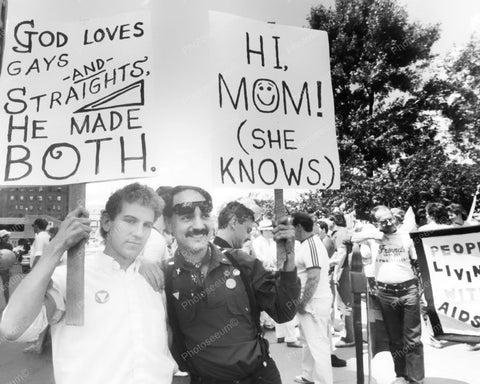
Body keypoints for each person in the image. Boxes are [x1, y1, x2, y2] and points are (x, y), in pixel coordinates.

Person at [0, 183, 176, 384]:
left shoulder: (152, 279)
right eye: (130, 221)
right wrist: (57, 245)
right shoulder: (72, 277)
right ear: (107, 222)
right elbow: (14, 329)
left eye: (147, 225)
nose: (139, 233)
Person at [163, 185, 300, 383]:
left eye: (205, 215)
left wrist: (288, 264)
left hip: (260, 377)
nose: (199, 225)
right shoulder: (162, 277)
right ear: (168, 224)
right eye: (186, 217)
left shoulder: (242, 263)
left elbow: (283, 312)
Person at [352, 205, 424, 384]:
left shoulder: (405, 235)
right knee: (395, 338)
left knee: (413, 338)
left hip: (408, 290)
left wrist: (421, 289)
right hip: (386, 293)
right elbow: (350, 238)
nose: (389, 222)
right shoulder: (373, 238)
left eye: (390, 218)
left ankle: (416, 379)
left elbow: (417, 263)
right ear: (376, 222)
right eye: (383, 221)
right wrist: (371, 234)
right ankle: (401, 375)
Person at [291, 212, 333, 384]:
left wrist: (303, 302)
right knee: (308, 341)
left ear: (299, 227)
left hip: (314, 302)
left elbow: (314, 277)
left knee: (318, 345)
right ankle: (308, 375)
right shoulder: (306, 244)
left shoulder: (312, 245)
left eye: (291, 227)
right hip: (310, 302)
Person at [330, 212, 354, 348]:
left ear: (333, 221)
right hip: (348, 270)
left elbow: (341, 253)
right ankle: (350, 334)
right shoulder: (346, 231)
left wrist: (335, 273)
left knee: (344, 304)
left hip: (343, 271)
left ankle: (348, 337)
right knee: (347, 303)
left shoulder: (339, 234)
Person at [0, 229, 14, 304]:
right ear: (4, 237)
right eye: (7, 236)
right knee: (6, 287)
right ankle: (7, 304)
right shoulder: (9, 246)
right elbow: (10, 259)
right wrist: (10, 269)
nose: (9, 237)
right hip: (5, 269)